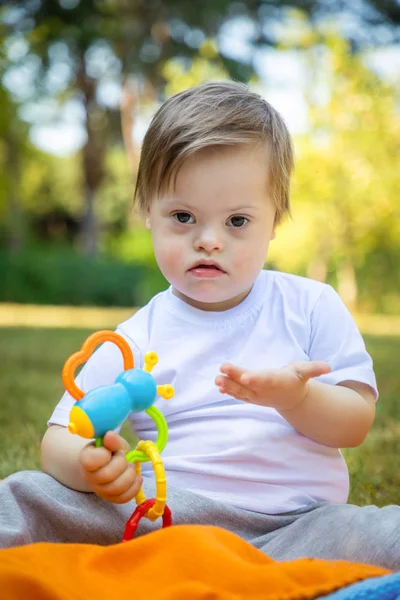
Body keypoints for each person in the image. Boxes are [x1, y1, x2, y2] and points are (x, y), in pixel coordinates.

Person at [0, 82, 399, 569]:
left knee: (384, 533)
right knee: (24, 495)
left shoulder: (312, 305)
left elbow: (356, 422)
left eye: (236, 221)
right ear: (148, 210)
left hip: (297, 527)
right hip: (159, 516)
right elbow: (59, 437)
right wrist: (92, 469)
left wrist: (297, 398)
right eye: (184, 216)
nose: (209, 241)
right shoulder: (134, 337)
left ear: (275, 219)